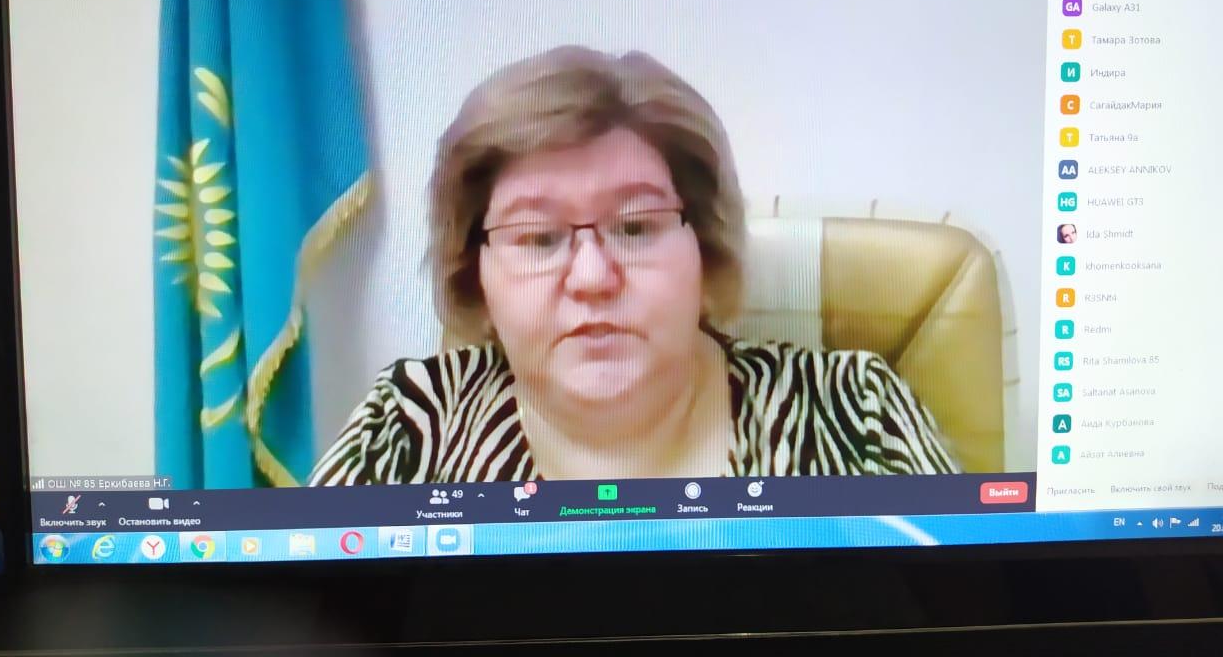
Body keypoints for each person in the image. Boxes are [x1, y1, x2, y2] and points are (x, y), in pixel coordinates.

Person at [309, 47, 957, 485]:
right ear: (474, 272)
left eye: (637, 228)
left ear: (705, 246)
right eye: (538, 238)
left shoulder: (858, 413)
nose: (593, 279)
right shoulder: (403, 428)